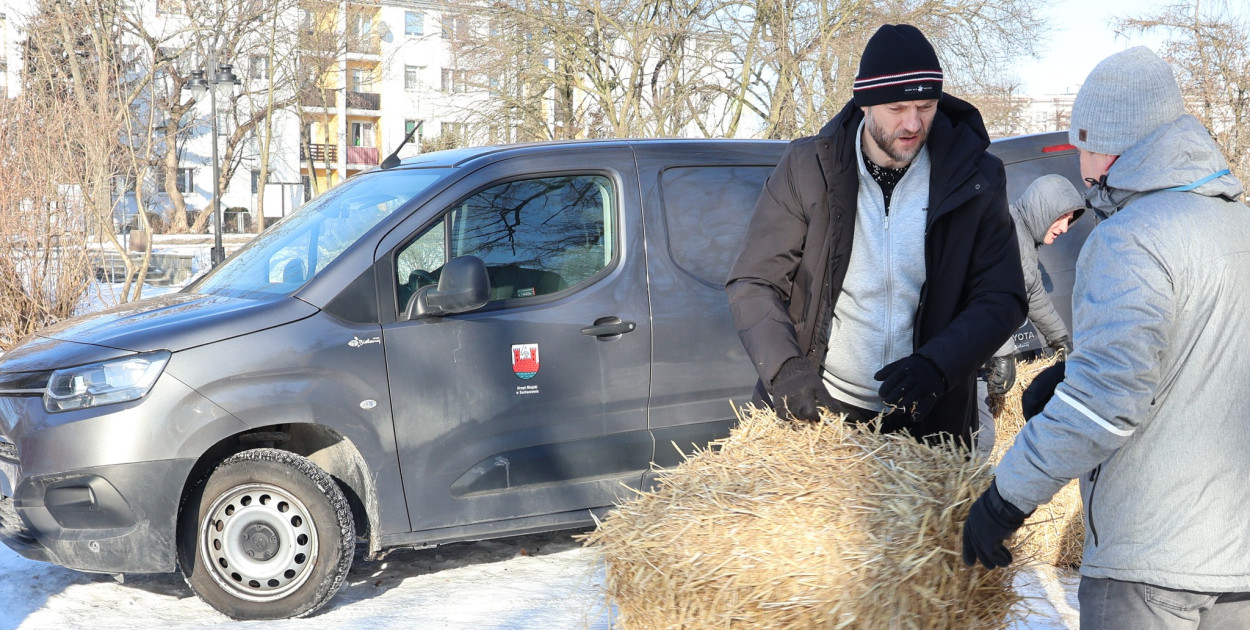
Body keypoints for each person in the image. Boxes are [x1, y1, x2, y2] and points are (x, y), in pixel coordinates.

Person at [962, 47, 1250, 628]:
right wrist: (1073, 373)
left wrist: (1004, 500)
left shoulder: (1129, 239)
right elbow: (1204, 355)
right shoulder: (1238, 226)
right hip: (1237, 558)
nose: (1080, 165)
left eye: (1081, 146)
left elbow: (1106, 403)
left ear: (1111, 143)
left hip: (1151, 565)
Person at [725, 23, 1027, 446]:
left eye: (925, 105)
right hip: (824, 412)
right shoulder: (808, 167)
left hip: (928, 415)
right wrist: (786, 367)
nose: (913, 123)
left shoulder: (976, 176)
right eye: (896, 109)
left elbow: (1002, 296)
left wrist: (938, 365)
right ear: (864, 104)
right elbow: (754, 281)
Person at [974, 174, 1084, 460]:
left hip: (973, 349)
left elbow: (1032, 291)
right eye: (1060, 218)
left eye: (1070, 220)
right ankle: (969, 498)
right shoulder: (1004, 232)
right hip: (964, 352)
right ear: (1043, 209)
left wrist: (1059, 339)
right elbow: (986, 292)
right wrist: (1003, 353)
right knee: (980, 438)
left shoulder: (1022, 238)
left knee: (979, 437)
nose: (1064, 228)